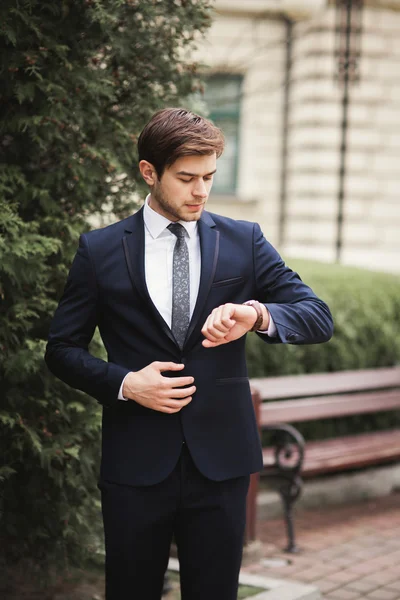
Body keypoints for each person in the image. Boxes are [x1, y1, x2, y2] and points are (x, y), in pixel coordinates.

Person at [45, 107, 333, 600]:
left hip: (222, 461)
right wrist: (124, 383)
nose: (201, 191)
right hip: (135, 463)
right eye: (187, 178)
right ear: (149, 172)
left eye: (210, 177)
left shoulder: (244, 240)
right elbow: (61, 350)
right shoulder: (100, 250)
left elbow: (316, 315)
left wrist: (258, 315)